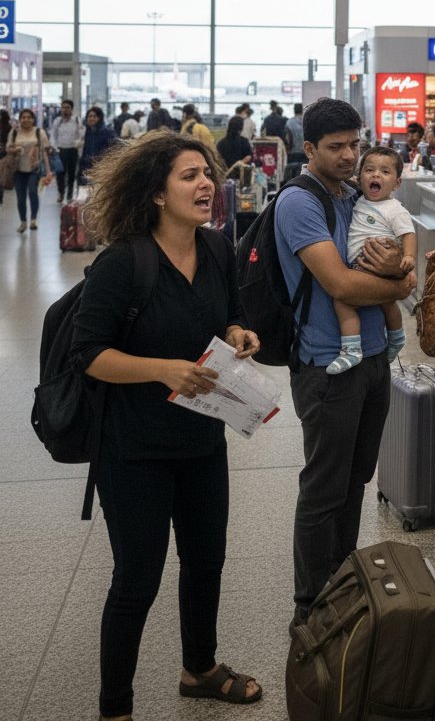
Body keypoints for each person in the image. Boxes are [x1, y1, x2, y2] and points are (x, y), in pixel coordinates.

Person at [69, 130, 263, 720]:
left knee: (206, 562)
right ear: (157, 193)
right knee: (137, 579)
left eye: (207, 174)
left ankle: (198, 668)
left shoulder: (219, 249)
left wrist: (238, 334)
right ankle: (115, 707)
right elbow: (88, 354)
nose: (206, 184)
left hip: (202, 440)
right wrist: (163, 370)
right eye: (189, 176)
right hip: (133, 449)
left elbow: (230, 314)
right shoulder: (123, 262)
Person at [273, 98, 416, 623]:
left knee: (356, 479)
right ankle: (310, 607)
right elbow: (341, 283)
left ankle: (342, 580)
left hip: (373, 356)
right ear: (309, 148)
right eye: (336, 147)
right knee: (324, 487)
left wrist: (399, 275)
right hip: (327, 363)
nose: (350, 156)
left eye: (355, 144)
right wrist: (397, 284)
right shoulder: (299, 202)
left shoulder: (356, 195)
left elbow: (404, 267)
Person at [327, 146, 416, 374]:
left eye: (385, 171)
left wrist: (408, 256)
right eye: (369, 170)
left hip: (371, 263)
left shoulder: (394, 209)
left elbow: (408, 234)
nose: (376, 175)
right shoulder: (359, 200)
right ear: (359, 178)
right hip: (364, 262)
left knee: (343, 302)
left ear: (397, 183)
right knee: (387, 302)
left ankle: (351, 349)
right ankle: (396, 337)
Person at [6, 108, 52, 232]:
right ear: (20, 119)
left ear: (33, 119)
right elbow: (8, 149)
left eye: (29, 117)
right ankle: (23, 221)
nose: (26, 120)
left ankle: (33, 220)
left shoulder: (39, 132)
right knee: (20, 197)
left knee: (32, 192)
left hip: (34, 168)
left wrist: (48, 171)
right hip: (18, 169)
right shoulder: (14, 132)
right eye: (23, 117)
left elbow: (45, 152)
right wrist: (15, 149)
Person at [51, 98, 84, 204]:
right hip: (60, 151)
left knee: (71, 174)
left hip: (72, 150)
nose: (65, 110)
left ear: (71, 109)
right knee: (60, 173)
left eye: (67, 107)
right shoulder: (57, 121)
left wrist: (78, 143)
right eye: (63, 107)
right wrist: (54, 147)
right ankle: (61, 193)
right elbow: (53, 135)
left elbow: (81, 134)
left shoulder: (77, 120)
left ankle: (69, 194)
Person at [78, 107, 118, 188]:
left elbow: (114, 149)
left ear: (100, 118)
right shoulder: (84, 133)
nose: (92, 119)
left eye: (94, 116)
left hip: (102, 167)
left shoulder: (108, 132)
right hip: (87, 167)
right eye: (89, 116)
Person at [0, 107, 10, 207]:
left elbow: (8, 142)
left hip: (3, 154)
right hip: (3, 153)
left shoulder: (7, 128)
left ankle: (0, 196)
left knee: (1, 177)